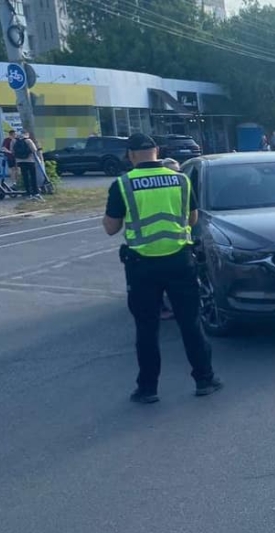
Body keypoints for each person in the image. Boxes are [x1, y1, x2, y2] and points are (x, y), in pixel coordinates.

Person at [103, 134, 223, 404]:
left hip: (141, 265)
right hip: (180, 261)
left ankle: (148, 389)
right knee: (190, 323)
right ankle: (205, 379)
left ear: (131, 155)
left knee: (146, 328)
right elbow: (191, 219)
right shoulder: (181, 180)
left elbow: (111, 228)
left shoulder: (122, 184)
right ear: (156, 151)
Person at [157, 157, 182, 321]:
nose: (176, 175)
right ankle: (162, 308)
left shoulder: (184, 186)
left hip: (179, 243)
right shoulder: (159, 193)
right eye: (172, 171)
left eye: (178, 171)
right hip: (156, 246)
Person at [13, 131, 43, 201]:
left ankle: (28, 193)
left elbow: (12, 150)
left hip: (20, 161)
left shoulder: (14, 141)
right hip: (30, 161)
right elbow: (34, 150)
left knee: (25, 177)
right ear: (26, 134)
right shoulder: (28, 140)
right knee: (33, 177)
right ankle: (36, 193)